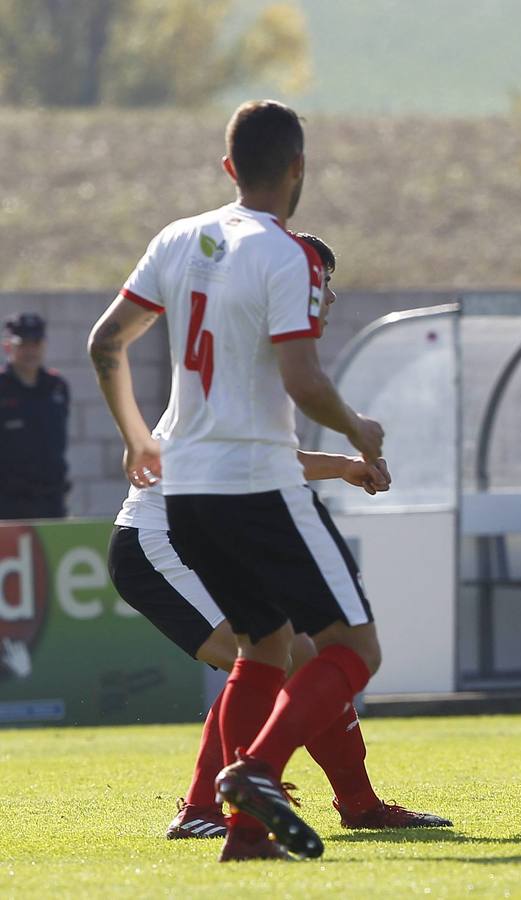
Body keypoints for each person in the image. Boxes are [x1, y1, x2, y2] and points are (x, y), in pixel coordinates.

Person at [88, 100, 391, 861]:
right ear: (299, 169)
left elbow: (104, 343)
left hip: (187, 498)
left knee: (264, 646)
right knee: (353, 648)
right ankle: (252, 770)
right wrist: (360, 431)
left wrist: (135, 438)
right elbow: (302, 379)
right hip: (256, 487)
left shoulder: (179, 237)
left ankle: (244, 837)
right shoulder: (283, 253)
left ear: (229, 167)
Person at [106, 233, 450, 841]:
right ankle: (206, 807)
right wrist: (356, 437)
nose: (331, 295)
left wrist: (344, 464)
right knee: (271, 659)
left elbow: (268, 457)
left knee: (297, 658)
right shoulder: (249, 351)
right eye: (322, 281)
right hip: (158, 544)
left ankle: (353, 803)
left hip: (203, 533)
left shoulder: (253, 347)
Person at [0, 314, 70, 520]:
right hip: (8, 504)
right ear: (8, 347)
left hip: (51, 502)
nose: (30, 351)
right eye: (22, 344)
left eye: (36, 343)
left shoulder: (57, 386)